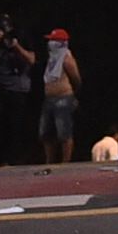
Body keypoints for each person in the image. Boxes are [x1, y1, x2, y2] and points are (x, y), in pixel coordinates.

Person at [0, 18, 36, 167]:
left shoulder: (20, 39)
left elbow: (32, 60)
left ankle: (15, 158)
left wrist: (16, 46)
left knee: (15, 125)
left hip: (18, 89)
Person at [38, 29, 82, 164]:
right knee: (45, 132)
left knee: (64, 131)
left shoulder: (67, 57)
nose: (50, 43)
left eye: (53, 40)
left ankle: (65, 161)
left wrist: (72, 93)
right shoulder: (52, 59)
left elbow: (76, 78)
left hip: (63, 98)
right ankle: (49, 160)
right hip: (49, 99)